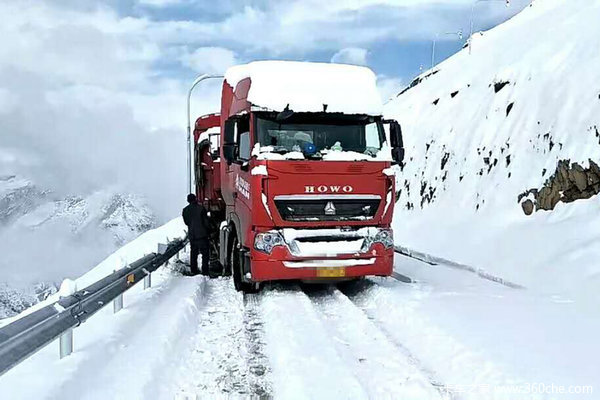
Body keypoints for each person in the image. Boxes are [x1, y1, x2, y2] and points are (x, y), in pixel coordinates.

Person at [182, 193, 211, 276]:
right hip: (202, 235)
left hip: (192, 235)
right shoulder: (201, 208)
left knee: (193, 253)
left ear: (188, 200)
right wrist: (209, 231)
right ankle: (205, 271)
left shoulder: (185, 210)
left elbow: (186, 222)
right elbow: (206, 222)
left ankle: (194, 270)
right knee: (205, 254)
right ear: (195, 199)